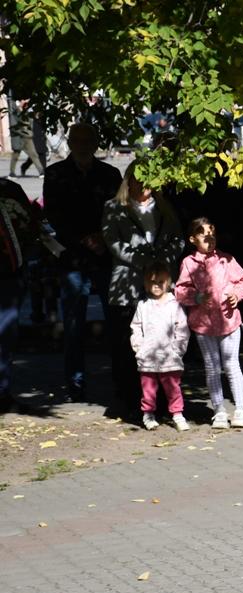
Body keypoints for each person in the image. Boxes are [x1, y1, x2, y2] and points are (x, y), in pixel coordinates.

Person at [42, 122, 123, 402]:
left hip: (104, 256)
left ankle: (121, 381)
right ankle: (75, 386)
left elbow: (117, 210)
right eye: (78, 140)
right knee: (74, 324)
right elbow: (53, 214)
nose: (83, 144)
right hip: (74, 258)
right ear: (70, 142)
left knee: (116, 323)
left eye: (89, 139)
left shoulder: (110, 174)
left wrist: (103, 237)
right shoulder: (55, 174)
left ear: (96, 143)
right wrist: (82, 238)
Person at [102, 162, 185, 419]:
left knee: (162, 341)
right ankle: (128, 401)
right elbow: (113, 242)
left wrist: (163, 262)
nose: (143, 185)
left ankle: (161, 403)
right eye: (137, 179)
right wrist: (143, 262)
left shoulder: (164, 207)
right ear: (129, 181)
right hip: (127, 284)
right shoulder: (114, 207)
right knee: (128, 346)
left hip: (160, 285)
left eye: (148, 179)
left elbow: (178, 239)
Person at [175, 217, 243, 429]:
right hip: (203, 324)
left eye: (212, 234)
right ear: (192, 239)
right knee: (212, 367)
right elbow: (180, 290)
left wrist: (236, 294)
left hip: (228, 320)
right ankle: (218, 410)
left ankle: (241, 410)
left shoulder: (226, 259)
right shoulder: (188, 263)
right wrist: (196, 297)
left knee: (232, 364)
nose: (209, 237)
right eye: (203, 234)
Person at [130, 265, 190, 431]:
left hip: (170, 356)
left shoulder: (174, 305)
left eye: (161, 281)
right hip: (147, 356)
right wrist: (139, 347)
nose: (156, 285)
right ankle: (148, 414)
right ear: (146, 284)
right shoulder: (143, 305)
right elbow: (136, 327)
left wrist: (178, 349)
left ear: (169, 283)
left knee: (173, 388)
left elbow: (182, 328)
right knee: (148, 388)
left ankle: (177, 414)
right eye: (152, 282)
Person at [0, 178, 38, 412]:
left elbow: (31, 225)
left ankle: (2, 393)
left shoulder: (10, 189)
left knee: (5, 336)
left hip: (8, 275)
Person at [7, 99, 44, 178]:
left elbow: (30, 123)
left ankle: (41, 172)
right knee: (15, 156)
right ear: (20, 102)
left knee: (34, 155)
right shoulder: (15, 111)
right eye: (24, 101)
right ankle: (12, 173)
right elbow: (14, 124)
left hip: (27, 137)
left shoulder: (27, 112)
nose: (26, 103)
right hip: (18, 137)